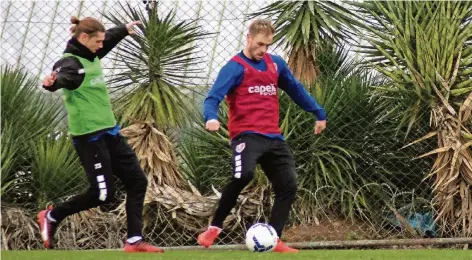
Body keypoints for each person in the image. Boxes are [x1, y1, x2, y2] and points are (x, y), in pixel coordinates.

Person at [198, 19, 327, 253]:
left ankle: (274, 239)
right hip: (247, 137)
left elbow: (295, 89)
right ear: (248, 38)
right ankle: (215, 227)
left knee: (288, 185)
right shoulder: (234, 67)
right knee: (243, 175)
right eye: (259, 44)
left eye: (267, 45)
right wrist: (211, 117)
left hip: (273, 138)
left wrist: (318, 112)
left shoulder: (275, 64)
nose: (262, 50)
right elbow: (212, 98)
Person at [38, 16, 163, 253]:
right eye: (97, 41)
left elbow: (108, 39)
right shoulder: (71, 64)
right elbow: (61, 79)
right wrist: (50, 84)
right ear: (84, 38)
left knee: (137, 181)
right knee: (103, 194)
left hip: (111, 133)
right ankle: (52, 216)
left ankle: (134, 240)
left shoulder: (92, 53)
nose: (100, 45)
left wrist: (125, 30)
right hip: (89, 138)